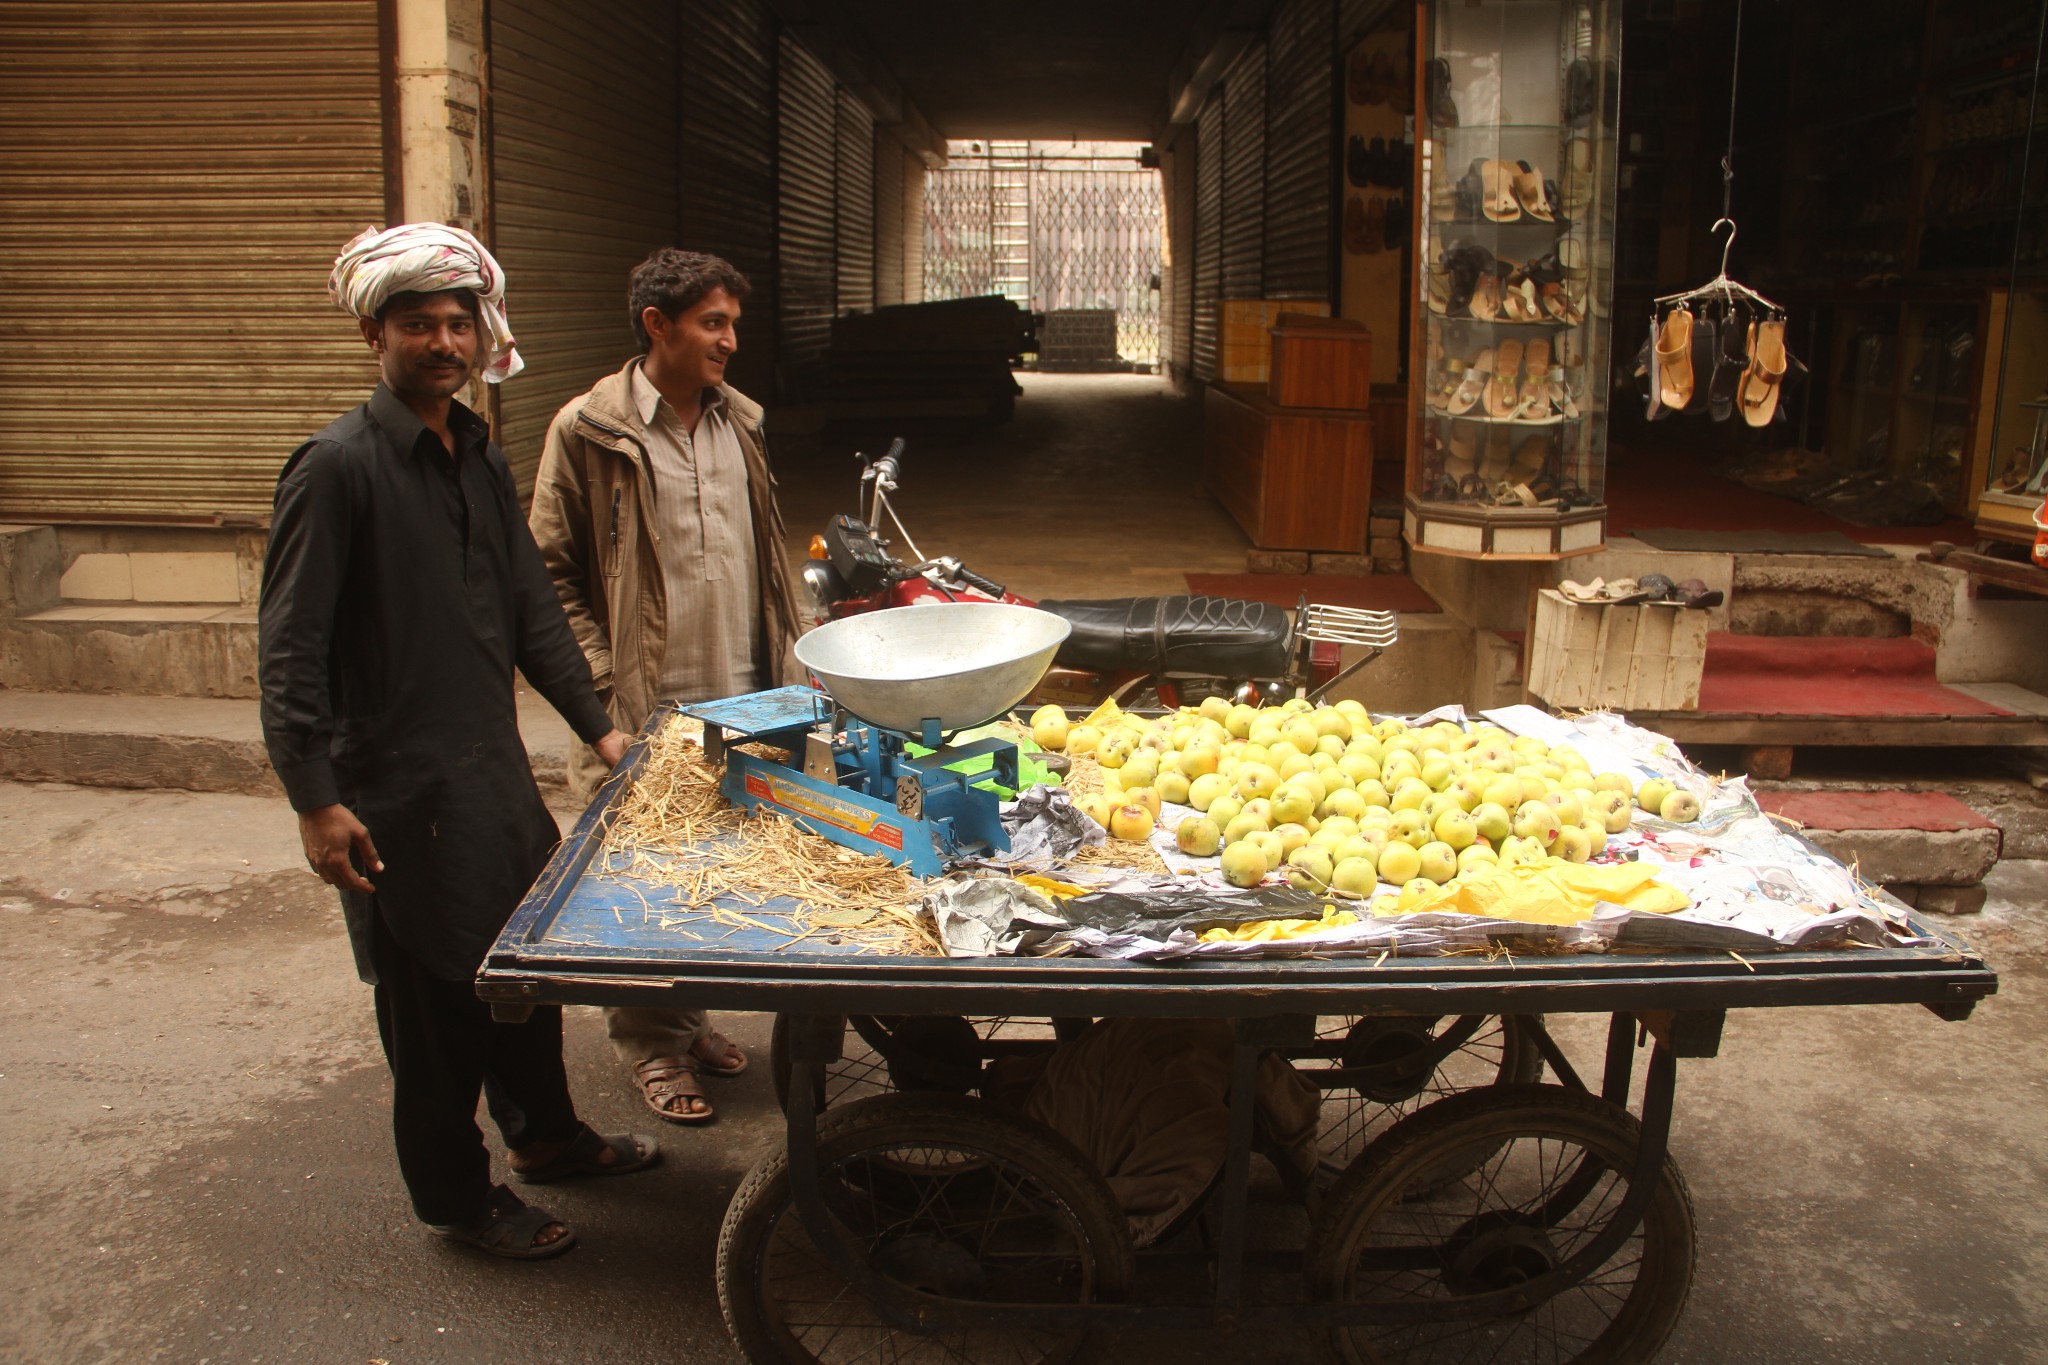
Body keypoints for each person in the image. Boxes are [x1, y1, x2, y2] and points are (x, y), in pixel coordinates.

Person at [260, 222, 659, 1261]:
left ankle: (547, 1139)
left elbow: (532, 610)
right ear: (372, 334)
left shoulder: (476, 455)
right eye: (416, 324)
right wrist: (314, 797)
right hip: (394, 794)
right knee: (433, 1009)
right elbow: (290, 649)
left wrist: (605, 733)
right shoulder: (337, 469)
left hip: (487, 778)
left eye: (457, 322)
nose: (443, 342)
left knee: (516, 981)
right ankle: (454, 1200)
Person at [529, 247, 801, 1126]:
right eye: (712, 323)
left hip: (740, 687)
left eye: (732, 324)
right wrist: (603, 685)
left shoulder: (739, 424)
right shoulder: (589, 430)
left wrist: (789, 662)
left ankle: (688, 1021)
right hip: (643, 699)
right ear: (658, 326)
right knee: (642, 879)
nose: (729, 341)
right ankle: (651, 1046)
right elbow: (549, 570)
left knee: (718, 864)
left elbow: (765, 556)